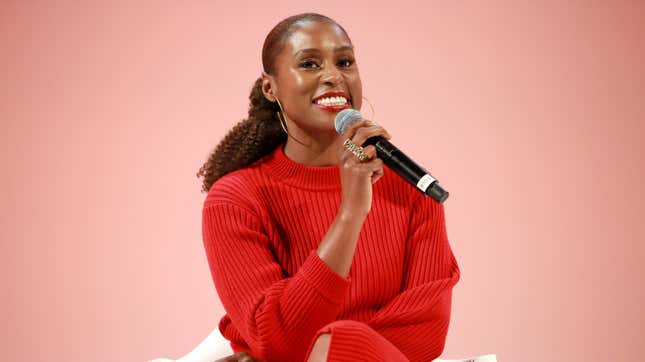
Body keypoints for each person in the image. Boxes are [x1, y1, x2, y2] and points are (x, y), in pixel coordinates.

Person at [186, 13, 459, 362]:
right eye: (310, 63)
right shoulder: (235, 199)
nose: (333, 76)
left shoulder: (411, 188)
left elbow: (426, 333)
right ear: (270, 88)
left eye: (344, 62)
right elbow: (277, 339)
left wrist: (334, 347)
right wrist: (351, 212)